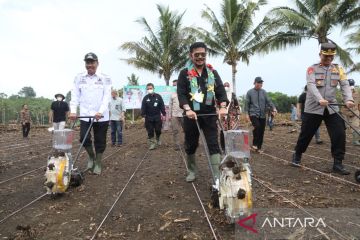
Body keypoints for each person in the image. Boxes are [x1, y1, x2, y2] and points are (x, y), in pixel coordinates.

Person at [292, 42, 354, 175]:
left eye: (331, 57)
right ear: (320, 54)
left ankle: (338, 163)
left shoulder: (338, 69)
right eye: (326, 56)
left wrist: (348, 99)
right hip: (314, 107)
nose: (328, 59)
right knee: (306, 134)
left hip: (332, 107)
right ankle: (297, 154)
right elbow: (311, 85)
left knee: (339, 133)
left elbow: (344, 85)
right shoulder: (312, 69)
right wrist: (319, 99)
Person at [177, 42, 228, 183]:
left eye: (203, 55)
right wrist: (187, 109)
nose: (200, 57)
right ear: (191, 55)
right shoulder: (184, 73)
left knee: (213, 143)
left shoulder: (212, 72)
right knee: (191, 143)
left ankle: (217, 175)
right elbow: (181, 93)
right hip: (191, 115)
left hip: (210, 114)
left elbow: (221, 92)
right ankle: (192, 171)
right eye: (197, 55)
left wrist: (223, 106)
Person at [69, 52, 112, 175]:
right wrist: (73, 111)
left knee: (100, 140)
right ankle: (91, 156)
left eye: (92, 62)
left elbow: (107, 97)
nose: (90, 65)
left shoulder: (105, 78)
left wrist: (101, 111)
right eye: (87, 63)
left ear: (97, 63)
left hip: (100, 116)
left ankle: (98, 162)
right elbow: (75, 95)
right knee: (83, 137)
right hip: (85, 114)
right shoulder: (79, 78)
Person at [245, 77, 277, 153]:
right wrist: (246, 114)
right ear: (254, 83)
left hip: (262, 114)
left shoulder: (264, 92)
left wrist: (274, 108)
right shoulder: (249, 92)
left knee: (261, 131)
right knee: (257, 126)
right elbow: (247, 104)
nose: (260, 84)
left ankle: (258, 148)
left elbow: (269, 101)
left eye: (261, 83)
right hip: (253, 114)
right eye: (258, 82)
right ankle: (254, 144)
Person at [141, 83, 166, 150]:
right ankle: (152, 143)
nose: (149, 90)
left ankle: (158, 138)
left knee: (158, 130)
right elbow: (143, 107)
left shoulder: (158, 96)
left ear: (153, 88)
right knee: (150, 131)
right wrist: (143, 116)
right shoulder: (145, 98)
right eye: (148, 89)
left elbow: (162, 106)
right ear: (146, 89)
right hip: (148, 117)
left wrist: (164, 114)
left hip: (157, 116)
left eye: (150, 88)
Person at [340, 79, 360, 146]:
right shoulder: (344, 93)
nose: (352, 86)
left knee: (356, 126)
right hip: (345, 112)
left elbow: (358, 103)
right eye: (350, 84)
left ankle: (355, 141)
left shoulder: (357, 93)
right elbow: (343, 100)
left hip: (355, 112)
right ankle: (341, 140)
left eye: (352, 84)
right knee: (344, 127)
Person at [169, 80, 184, 150]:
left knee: (187, 130)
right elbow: (170, 105)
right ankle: (177, 145)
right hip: (174, 115)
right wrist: (170, 115)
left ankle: (187, 143)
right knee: (175, 130)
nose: (175, 86)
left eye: (176, 85)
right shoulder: (172, 95)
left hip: (184, 115)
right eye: (174, 85)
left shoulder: (184, 93)